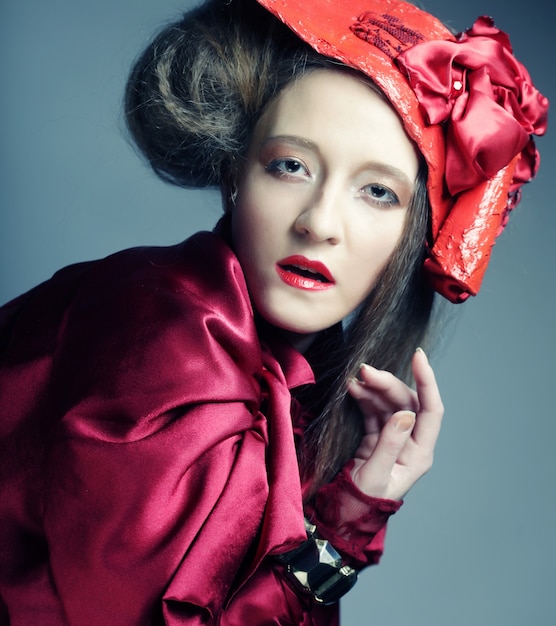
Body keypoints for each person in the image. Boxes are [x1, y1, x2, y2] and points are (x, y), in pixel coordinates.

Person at [0, 0, 548, 624]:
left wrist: (349, 508)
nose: (318, 223)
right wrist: (341, 536)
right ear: (237, 173)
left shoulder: (285, 383)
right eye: (291, 166)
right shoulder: (165, 337)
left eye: (377, 192)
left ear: (414, 237)